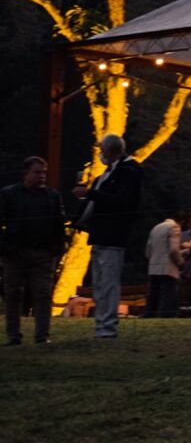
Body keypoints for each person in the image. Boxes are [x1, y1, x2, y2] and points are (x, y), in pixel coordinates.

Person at [73, 133, 142, 338]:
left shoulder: (129, 173)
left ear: (110, 151)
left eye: (102, 150)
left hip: (114, 236)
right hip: (101, 235)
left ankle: (107, 327)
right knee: (100, 283)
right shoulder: (107, 174)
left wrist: (90, 194)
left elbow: (120, 202)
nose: (100, 154)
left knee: (109, 282)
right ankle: (101, 325)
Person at [1, 156, 66, 345]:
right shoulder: (9, 195)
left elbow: (58, 224)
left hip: (42, 252)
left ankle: (42, 335)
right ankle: (14, 335)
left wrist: (56, 247)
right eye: (38, 172)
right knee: (13, 294)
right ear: (26, 173)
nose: (42, 176)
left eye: (44, 172)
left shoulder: (51, 196)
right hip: (16, 252)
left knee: (42, 294)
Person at [144, 212, 183, 318]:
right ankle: (164, 317)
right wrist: (180, 262)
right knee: (167, 297)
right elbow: (174, 250)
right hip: (167, 268)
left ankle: (149, 316)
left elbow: (148, 250)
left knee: (153, 296)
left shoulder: (156, 228)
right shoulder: (174, 227)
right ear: (180, 221)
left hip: (153, 267)